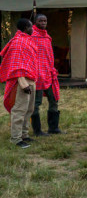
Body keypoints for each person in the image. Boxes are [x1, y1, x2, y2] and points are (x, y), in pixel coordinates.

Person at [0, 18, 38, 148]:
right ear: (26, 28)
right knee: (19, 110)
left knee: (29, 109)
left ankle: (24, 135)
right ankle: (15, 139)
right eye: (31, 26)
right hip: (22, 81)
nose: (33, 29)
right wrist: (23, 83)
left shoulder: (27, 40)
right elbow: (16, 65)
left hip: (31, 79)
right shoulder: (18, 43)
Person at [31, 14, 62, 136]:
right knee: (36, 103)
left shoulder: (47, 37)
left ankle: (53, 128)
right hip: (37, 75)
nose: (43, 22)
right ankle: (37, 131)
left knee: (53, 99)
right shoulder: (31, 36)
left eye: (45, 20)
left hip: (49, 74)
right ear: (35, 22)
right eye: (40, 21)